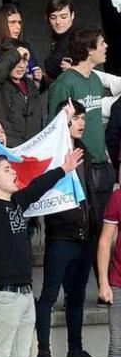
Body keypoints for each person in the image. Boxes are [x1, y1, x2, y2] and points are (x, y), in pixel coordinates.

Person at [0, 149, 83, 357]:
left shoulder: (18, 201)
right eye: (7, 169)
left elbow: (38, 186)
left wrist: (64, 169)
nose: (14, 173)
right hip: (4, 295)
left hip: (26, 294)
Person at [35, 100, 105, 357]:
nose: (81, 122)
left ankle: (76, 351)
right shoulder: (53, 151)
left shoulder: (83, 150)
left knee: (76, 296)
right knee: (49, 296)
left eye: (83, 117)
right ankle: (44, 353)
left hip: (85, 234)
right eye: (75, 117)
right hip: (62, 235)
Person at [48, 28, 115, 231]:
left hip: (102, 165)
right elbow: (55, 130)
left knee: (104, 229)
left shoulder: (95, 80)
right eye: (102, 43)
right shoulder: (65, 84)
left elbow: (95, 122)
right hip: (80, 168)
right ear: (88, 49)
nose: (106, 46)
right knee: (87, 229)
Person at [0, 39, 46, 147]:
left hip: (31, 153)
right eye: (17, 60)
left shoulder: (31, 85)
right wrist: (16, 53)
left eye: (24, 60)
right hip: (6, 153)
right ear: (6, 60)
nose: (21, 65)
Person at [97, 183, 121, 357]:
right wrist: (103, 282)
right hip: (118, 283)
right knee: (117, 347)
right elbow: (105, 241)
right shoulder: (117, 197)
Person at [44, 0, 77, 82]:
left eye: (63, 17)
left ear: (72, 15)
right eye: (53, 17)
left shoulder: (79, 39)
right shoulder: (57, 39)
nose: (58, 22)